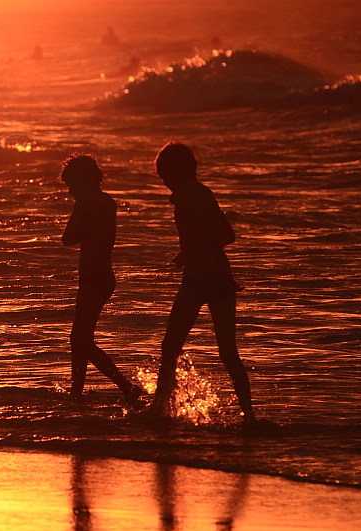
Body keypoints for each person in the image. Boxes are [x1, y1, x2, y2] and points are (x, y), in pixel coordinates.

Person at [150, 142, 256, 426]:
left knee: (178, 347)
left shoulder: (191, 196)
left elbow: (225, 234)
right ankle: (249, 416)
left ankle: (160, 410)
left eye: (165, 176)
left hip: (210, 279)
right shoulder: (196, 194)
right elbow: (218, 236)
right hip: (207, 276)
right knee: (213, 351)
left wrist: (196, 248)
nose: (165, 183)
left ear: (176, 172)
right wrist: (191, 252)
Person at [61, 154, 144, 407]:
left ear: (86, 179)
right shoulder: (106, 202)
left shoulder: (90, 202)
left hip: (95, 278)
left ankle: (126, 386)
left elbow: (67, 238)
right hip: (98, 276)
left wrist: (82, 217)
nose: (71, 192)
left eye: (72, 185)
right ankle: (77, 391)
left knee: (80, 339)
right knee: (80, 338)